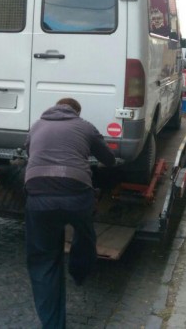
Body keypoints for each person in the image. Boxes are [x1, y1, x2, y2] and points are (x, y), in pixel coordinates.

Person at [24, 98, 117, 329]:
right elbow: (109, 159)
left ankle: (53, 325)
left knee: (43, 260)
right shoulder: (85, 126)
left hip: (38, 196)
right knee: (85, 234)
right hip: (76, 194)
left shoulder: (36, 125)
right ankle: (79, 269)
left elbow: (30, 152)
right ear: (76, 111)